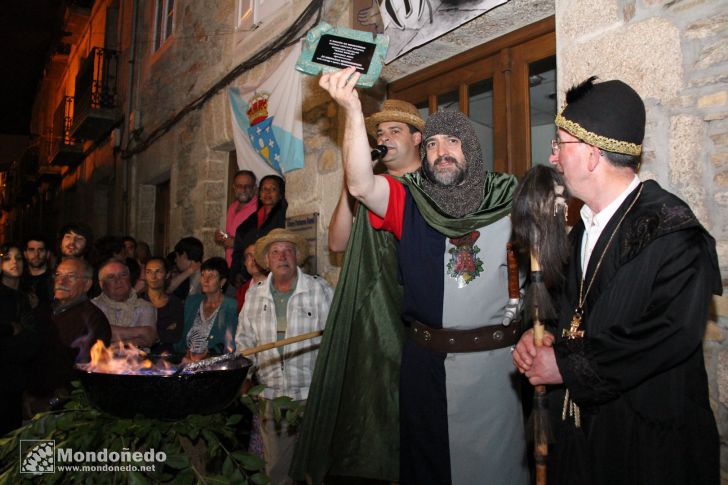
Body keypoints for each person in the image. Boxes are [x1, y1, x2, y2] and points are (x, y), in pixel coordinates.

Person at [315, 67, 526, 485]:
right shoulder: (407, 200)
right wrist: (353, 111)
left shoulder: (508, 198)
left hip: (496, 369)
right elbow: (359, 185)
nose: (441, 151)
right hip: (426, 367)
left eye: (452, 141)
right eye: (431, 143)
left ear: (472, 148)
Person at [512, 77, 722, 485]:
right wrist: (540, 337)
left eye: (560, 145)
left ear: (590, 155)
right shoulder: (580, 230)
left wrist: (566, 365)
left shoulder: (672, 231)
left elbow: (668, 335)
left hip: (646, 446)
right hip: (582, 437)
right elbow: (563, 310)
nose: (553, 158)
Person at [292, 99, 424, 482]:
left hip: (398, 313)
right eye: (379, 134)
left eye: (394, 131)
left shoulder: (423, 188)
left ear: (417, 138)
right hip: (364, 313)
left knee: (393, 406)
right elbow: (336, 242)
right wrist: (351, 188)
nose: (384, 139)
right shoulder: (370, 188)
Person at [236, 228, 333, 485]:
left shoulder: (319, 290)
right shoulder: (254, 295)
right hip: (272, 399)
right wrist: (243, 379)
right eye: (275, 252)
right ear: (266, 261)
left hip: (312, 397)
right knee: (277, 473)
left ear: (297, 257)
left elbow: (335, 341)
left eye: (288, 251)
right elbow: (244, 342)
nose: (282, 257)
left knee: (317, 471)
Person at [24, 257, 111, 416]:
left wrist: (52, 402)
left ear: (87, 284)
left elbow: (83, 374)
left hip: (60, 412)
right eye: (58, 275)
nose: (61, 281)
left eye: (70, 276)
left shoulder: (92, 319)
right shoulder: (45, 311)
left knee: (46, 443)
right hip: (28, 403)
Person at [0, 244, 36, 433]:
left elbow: (32, 336)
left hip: (19, 378)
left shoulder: (28, 296)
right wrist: (10, 329)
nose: (14, 262)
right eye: (7, 258)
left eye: (19, 258)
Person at [174, 256, 238, 359]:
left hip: (214, 363)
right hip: (186, 360)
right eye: (203, 275)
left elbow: (229, 342)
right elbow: (180, 336)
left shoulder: (230, 306)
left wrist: (207, 354)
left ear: (222, 282)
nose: (205, 280)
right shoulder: (192, 302)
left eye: (211, 276)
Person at [230, 175, 287, 287]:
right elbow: (238, 250)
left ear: (280, 194)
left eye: (273, 189)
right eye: (264, 189)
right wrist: (236, 272)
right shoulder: (250, 221)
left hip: (274, 278)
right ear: (259, 193)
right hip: (248, 277)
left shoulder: (284, 217)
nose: (267, 192)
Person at [92, 259, 157, 348]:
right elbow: (95, 333)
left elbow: (148, 338)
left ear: (129, 279)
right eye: (111, 277)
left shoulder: (145, 307)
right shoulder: (92, 307)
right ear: (101, 284)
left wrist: (112, 344)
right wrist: (140, 332)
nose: (118, 280)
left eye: (123, 275)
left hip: (137, 360)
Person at [215, 170, 258, 267]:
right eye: (239, 186)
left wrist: (236, 243)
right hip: (231, 265)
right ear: (234, 187)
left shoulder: (259, 209)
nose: (243, 190)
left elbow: (262, 241)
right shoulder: (232, 207)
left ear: (255, 188)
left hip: (249, 268)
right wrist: (222, 238)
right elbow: (232, 236)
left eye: (247, 186)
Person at [141, 256, 184, 354]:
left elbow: (175, 335)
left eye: (158, 271)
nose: (153, 276)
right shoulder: (138, 301)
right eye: (149, 272)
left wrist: (148, 334)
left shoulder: (175, 302)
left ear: (167, 274)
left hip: (167, 357)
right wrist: (163, 331)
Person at [235, 243, 269, 313]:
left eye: (257, 255)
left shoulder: (275, 286)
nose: (253, 259)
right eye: (249, 256)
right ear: (245, 263)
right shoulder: (242, 291)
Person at [21, 235, 53, 307]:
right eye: (31, 250)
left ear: (48, 254)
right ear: (25, 254)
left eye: (41, 250)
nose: (36, 254)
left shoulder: (55, 279)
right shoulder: (19, 279)